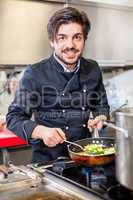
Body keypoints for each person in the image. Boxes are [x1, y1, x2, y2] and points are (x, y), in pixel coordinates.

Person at [6, 7, 110, 163]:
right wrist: (40, 131)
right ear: (52, 41)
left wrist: (100, 118)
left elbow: (101, 106)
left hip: (86, 158)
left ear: (84, 39)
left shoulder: (93, 69)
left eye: (77, 37)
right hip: (48, 163)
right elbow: (14, 118)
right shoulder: (34, 73)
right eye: (62, 37)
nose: (70, 45)